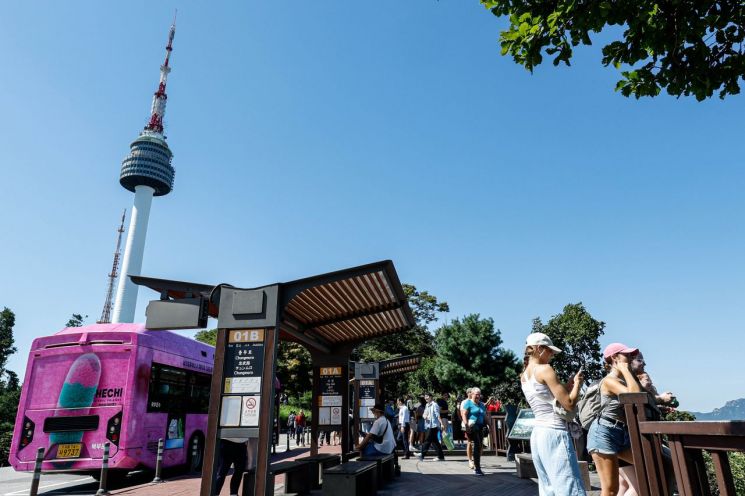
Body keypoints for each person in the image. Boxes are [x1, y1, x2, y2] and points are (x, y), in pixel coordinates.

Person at [521, 332, 586, 495]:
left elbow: (546, 397)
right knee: (570, 486)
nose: (551, 354)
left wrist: (568, 386)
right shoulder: (545, 369)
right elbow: (569, 404)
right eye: (549, 350)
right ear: (538, 348)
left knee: (548, 486)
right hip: (555, 431)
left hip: (538, 434)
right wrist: (577, 385)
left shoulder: (524, 375)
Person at [587, 343, 642, 496]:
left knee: (649, 466)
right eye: (626, 354)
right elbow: (634, 397)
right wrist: (624, 369)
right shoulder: (609, 381)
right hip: (604, 433)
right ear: (614, 358)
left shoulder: (624, 381)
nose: (631, 358)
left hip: (622, 434)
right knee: (611, 490)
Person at [461, 387, 488, 476]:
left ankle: (477, 464)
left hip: (481, 427)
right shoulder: (468, 403)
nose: (478, 396)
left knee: (480, 446)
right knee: (477, 445)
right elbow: (464, 414)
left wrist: (489, 426)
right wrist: (466, 425)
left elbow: (485, 416)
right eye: (476, 394)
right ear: (471, 394)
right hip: (473, 427)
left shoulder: (481, 404)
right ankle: (477, 468)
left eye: (479, 394)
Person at [418, 392, 445, 461]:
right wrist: (425, 417)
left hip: (434, 425)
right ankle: (441, 456)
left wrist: (441, 424)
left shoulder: (435, 405)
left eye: (427, 396)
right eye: (425, 397)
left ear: (430, 397)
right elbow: (424, 414)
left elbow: (438, 415)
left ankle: (422, 454)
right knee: (435, 441)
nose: (425, 398)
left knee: (427, 440)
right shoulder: (427, 405)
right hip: (428, 425)